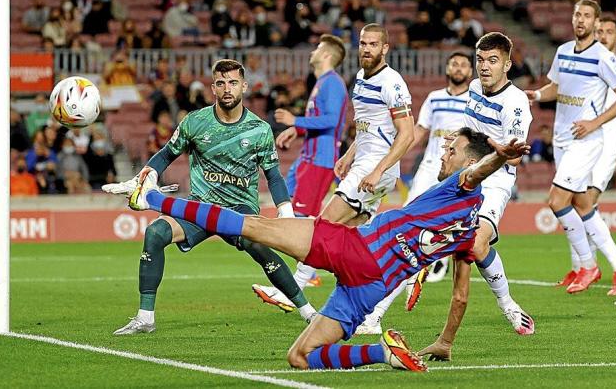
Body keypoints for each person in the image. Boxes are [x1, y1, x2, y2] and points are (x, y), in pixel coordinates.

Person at [128, 128, 531, 371]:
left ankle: (151, 199)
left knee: (256, 225)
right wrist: (445, 341)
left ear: (472, 160)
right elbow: (461, 294)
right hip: (371, 286)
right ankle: (382, 353)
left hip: (357, 251)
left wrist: (498, 157)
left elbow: (476, 172)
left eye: (453, 149)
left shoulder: (461, 185)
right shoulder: (472, 231)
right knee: (299, 357)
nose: (445, 153)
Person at [106, 59, 316, 335]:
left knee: (257, 247)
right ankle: (145, 318)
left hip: (239, 207)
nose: (227, 89)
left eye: (232, 83)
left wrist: (285, 210)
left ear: (244, 86)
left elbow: (273, 176)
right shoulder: (195, 122)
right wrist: (146, 178)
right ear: (213, 88)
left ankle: (309, 313)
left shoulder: (260, 129)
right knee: (155, 233)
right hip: (201, 207)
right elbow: (167, 154)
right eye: (220, 83)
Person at [420, 32, 535, 362]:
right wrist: (457, 141)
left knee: (474, 245)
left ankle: (507, 304)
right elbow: (470, 131)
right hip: (465, 173)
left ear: (507, 65)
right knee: (429, 226)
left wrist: (488, 146)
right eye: (481, 60)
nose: (484, 67)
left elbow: (512, 157)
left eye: (493, 61)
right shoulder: (472, 88)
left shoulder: (515, 103)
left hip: (496, 179)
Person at [281, 24, 415, 297]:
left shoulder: (392, 82)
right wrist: (348, 155)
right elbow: (367, 127)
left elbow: (407, 135)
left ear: (385, 48)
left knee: (325, 223)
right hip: (363, 163)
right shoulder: (361, 79)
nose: (367, 49)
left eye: (373, 44)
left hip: (376, 166)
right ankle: (392, 283)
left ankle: (291, 289)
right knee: (352, 239)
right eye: (363, 43)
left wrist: (378, 170)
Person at [355, 51, 473, 334]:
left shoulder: (475, 100)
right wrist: (393, 158)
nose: (457, 67)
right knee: (407, 233)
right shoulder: (434, 98)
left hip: (457, 177)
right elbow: (417, 132)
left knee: (417, 240)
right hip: (428, 171)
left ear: (471, 71)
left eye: (463, 64)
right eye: (453, 62)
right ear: (446, 67)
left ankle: (380, 309)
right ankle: (427, 263)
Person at [526, 0, 616, 294]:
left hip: (586, 140)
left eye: (586, 15)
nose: (580, 20)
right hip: (562, 138)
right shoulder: (562, 51)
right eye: (577, 14)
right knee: (583, 205)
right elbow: (556, 88)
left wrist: (595, 123)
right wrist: (535, 94)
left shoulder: (602, 56)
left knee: (557, 201)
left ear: (596, 23)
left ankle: (588, 265)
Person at [251, 34, 349, 307]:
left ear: (327, 55)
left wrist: (295, 120)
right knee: (288, 208)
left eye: (318, 47)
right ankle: (307, 270)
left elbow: (331, 120)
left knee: (304, 217)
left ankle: (305, 276)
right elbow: (321, 120)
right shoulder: (321, 84)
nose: (313, 51)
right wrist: (297, 129)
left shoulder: (332, 84)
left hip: (320, 158)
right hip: (308, 156)